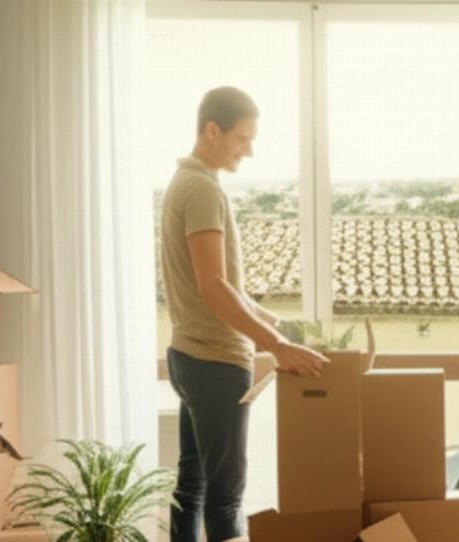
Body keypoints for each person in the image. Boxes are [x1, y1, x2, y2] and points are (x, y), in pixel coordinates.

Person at [160, 86, 328, 542]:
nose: (249, 151)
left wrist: (278, 326)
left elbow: (223, 285)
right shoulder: (201, 190)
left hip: (187, 355)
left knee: (192, 485)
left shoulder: (185, 181)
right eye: (242, 138)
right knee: (225, 495)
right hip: (214, 363)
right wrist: (274, 346)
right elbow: (212, 286)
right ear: (212, 130)